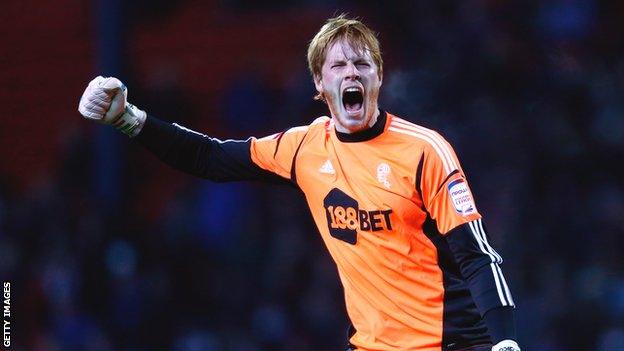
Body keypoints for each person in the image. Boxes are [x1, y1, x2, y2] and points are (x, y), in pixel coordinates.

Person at [78, 15, 521, 351]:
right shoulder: (305, 149)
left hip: (451, 343)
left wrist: (504, 341)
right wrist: (128, 119)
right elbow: (210, 156)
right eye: (339, 65)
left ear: (378, 78)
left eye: (363, 63)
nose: (352, 72)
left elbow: (478, 256)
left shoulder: (425, 151)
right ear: (319, 84)